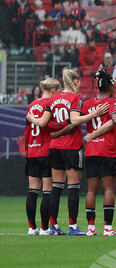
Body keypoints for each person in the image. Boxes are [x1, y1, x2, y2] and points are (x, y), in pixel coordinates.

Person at [47, 69, 108, 235]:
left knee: (56, 187)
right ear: (75, 81)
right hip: (71, 146)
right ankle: (73, 226)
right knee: (73, 187)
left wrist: (55, 132)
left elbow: (46, 122)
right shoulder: (75, 98)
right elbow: (74, 120)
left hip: (55, 146)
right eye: (79, 82)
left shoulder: (53, 99)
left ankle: (53, 226)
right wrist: (95, 114)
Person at [81, 69, 116, 236]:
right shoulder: (113, 103)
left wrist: (91, 136)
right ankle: (108, 228)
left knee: (91, 190)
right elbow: (112, 123)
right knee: (109, 189)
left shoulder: (87, 104)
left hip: (91, 150)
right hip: (107, 150)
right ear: (109, 87)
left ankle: (91, 228)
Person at [24, 78, 58, 235]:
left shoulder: (31, 105)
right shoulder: (50, 105)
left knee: (32, 191)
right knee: (47, 190)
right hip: (46, 151)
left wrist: (28, 150)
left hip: (32, 151)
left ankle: (32, 228)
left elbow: (26, 132)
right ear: (52, 89)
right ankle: (45, 228)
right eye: (57, 90)